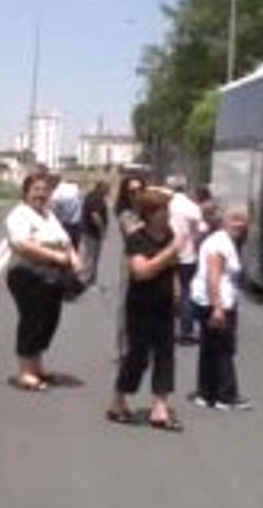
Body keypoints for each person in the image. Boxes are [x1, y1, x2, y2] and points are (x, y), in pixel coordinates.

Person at [108, 188, 187, 431]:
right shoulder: (137, 238)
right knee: (138, 356)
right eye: (163, 211)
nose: (167, 215)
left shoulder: (168, 235)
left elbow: (172, 267)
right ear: (150, 213)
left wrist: (176, 288)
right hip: (141, 306)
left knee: (165, 354)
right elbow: (141, 271)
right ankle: (118, 400)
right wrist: (171, 251)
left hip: (164, 304)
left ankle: (160, 407)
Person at [4, 172, 82, 392]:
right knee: (32, 320)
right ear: (26, 193)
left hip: (52, 276)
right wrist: (54, 256)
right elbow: (22, 244)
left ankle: (37, 366)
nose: (40, 194)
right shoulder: (19, 215)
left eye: (44, 190)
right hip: (26, 274)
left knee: (49, 320)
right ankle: (25, 371)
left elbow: (65, 240)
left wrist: (74, 258)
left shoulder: (48, 214)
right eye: (35, 190)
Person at [189, 206, 253, 411]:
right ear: (223, 220)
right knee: (224, 349)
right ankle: (226, 396)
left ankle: (206, 393)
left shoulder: (219, 240)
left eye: (242, 220)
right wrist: (218, 307)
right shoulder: (221, 243)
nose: (239, 224)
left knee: (209, 348)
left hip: (207, 300)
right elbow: (213, 275)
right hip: (217, 302)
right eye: (234, 219)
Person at [111, 174, 147, 360]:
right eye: (132, 191)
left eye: (140, 190)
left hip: (150, 257)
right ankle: (122, 347)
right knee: (126, 303)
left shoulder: (148, 210)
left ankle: (142, 344)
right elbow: (132, 232)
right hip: (131, 259)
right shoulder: (125, 213)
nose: (137, 194)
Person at [168, 175, 204, 345]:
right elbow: (199, 230)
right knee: (186, 290)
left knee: (165, 289)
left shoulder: (166, 205)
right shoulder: (192, 207)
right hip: (187, 254)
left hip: (166, 252)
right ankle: (186, 330)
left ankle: (164, 327)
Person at [79, 180, 109, 287]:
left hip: (90, 231)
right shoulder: (96, 198)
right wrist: (102, 230)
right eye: (107, 188)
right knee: (91, 257)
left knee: (92, 256)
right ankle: (85, 280)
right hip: (92, 232)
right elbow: (95, 215)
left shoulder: (93, 195)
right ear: (101, 187)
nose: (108, 191)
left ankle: (91, 279)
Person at [48, 174, 85, 250]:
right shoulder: (74, 187)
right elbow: (81, 202)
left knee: (64, 249)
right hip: (77, 224)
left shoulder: (56, 194)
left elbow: (53, 211)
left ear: (54, 182)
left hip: (64, 225)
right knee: (75, 248)